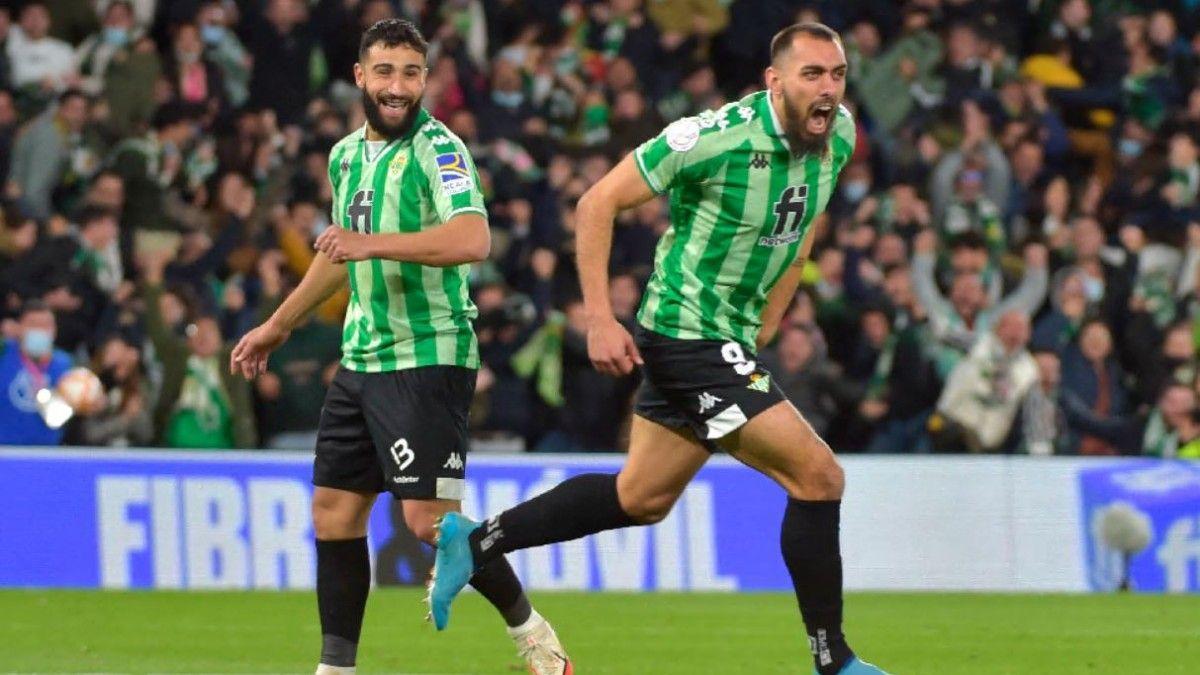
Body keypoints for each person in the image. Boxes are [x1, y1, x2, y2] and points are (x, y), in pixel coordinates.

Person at [430, 22, 887, 675]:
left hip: (726, 338)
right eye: (812, 74)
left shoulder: (836, 134)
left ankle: (473, 542)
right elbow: (597, 202)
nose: (828, 90)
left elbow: (804, 226)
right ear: (774, 80)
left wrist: (769, 321)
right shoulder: (712, 136)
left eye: (837, 74)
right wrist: (599, 318)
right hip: (684, 332)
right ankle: (834, 660)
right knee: (818, 477)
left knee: (640, 497)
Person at [228, 19, 571, 675]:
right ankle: (336, 667)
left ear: (425, 79)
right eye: (384, 71)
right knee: (332, 511)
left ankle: (534, 634)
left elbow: (472, 239)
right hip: (362, 357)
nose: (397, 86)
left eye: (411, 72)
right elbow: (337, 256)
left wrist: (371, 243)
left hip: (428, 355)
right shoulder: (346, 156)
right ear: (360, 76)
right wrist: (279, 323)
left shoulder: (440, 150)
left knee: (428, 524)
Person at [0, 301, 73, 445]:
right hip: (4, 452)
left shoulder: (64, 363)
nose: (40, 331)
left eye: (46, 325)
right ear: (19, 327)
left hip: (47, 453)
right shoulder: (4, 352)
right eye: (33, 325)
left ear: (55, 330)